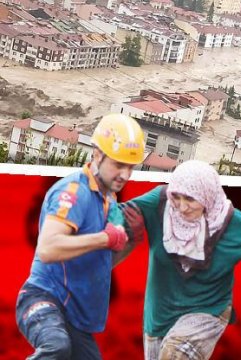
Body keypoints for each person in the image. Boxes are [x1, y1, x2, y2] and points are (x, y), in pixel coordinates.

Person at [15, 113, 146, 359]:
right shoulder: (74, 192)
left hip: (73, 314)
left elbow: (99, 264)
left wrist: (128, 242)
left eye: (131, 167)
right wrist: (105, 239)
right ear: (97, 154)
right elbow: (48, 249)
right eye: (118, 164)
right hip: (44, 299)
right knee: (56, 347)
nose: (125, 175)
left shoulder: (108, 199)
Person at [120, 160, 241, 360]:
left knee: (174, 355)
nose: (182, 207)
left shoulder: (235, 226)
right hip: (159, 315)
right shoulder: (160, 203)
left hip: (207, 311)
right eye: (176, 197)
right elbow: (119, 215)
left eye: (190, 199)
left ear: (207, 195)